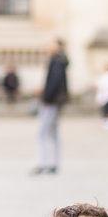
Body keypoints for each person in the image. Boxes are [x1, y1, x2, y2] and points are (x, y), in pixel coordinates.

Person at [33, 39, 69, 176]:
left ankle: (45, 163)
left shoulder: (56, 62)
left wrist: (46, 97)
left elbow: (53, 83)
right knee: (53, 133)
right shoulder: (61, 61)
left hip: (51, 102)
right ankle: (53, 163)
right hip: (55, 101)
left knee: (44, 133)